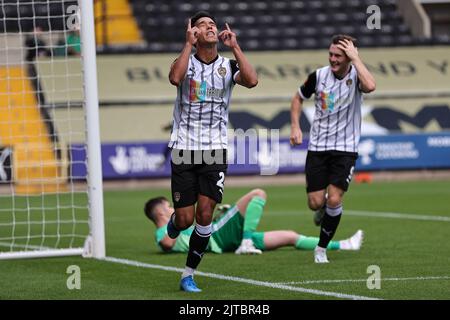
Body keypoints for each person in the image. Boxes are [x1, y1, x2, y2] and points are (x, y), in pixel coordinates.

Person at [165, 11, 258, 292]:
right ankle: (175, 220)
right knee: (185, 220)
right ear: (193, 32)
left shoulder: (228, 67)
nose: (209, 27)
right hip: (184, 148)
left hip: (215, 150)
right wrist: (187, 45)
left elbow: (252, 81)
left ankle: (188, 274)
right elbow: (174, 78)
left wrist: (236, 47)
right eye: (202, 25)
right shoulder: (185, 62)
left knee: (205, 215)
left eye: (212, 25)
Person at [289, 34, 376, 264]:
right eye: (331, 54)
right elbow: (297, 99)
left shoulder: (357, 76)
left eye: (338, 55)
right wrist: (296, 127)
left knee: (335, 200)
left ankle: (321, 248)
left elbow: (371, 86)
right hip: (318, 147)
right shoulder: (318, 76)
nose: (333, 59)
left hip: (345, 149)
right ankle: (323, 209)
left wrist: (356, 59)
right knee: (315, 203)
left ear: (349, 56)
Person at [144, 188, 364, 256]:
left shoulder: (173, 227)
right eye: (170, 206)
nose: (174, 209)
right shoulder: (162, 232)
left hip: (221, 238)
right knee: (258, 194)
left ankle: (342, 244)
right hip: (217, 235)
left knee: (289, 236)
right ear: (162, 212)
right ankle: (246, 242)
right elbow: (166, 242)